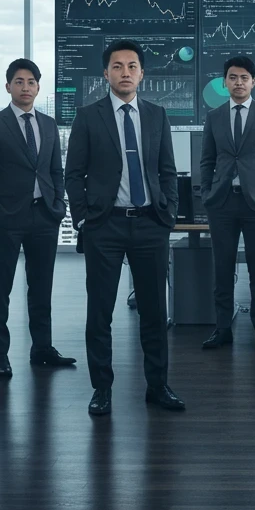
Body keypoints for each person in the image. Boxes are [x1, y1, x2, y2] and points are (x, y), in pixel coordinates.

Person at [65, 39, 182, 416]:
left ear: (142, 73)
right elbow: (73, 174)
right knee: (100, 312)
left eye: (132, 66)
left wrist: (167, 215)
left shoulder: (156, 114)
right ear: (105, 73)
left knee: (153, 311)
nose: (126, 72)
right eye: (117, 66)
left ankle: (158, 386)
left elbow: (167, 170)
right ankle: (102, 388)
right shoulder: (87, 116)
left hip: (150, 224)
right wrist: (84, 219)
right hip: (105, 226)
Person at [0, 59, 75, 378]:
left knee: (41, 286)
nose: (25, 87)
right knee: (0, 287)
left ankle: (42, 347)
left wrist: (58, 205)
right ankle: (0, 353)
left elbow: (55, 170)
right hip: (8, 217)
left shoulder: (48, 124)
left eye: (31, 82)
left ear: (38, 87)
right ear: (8, 86)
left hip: (44, 216)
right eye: (19, 81)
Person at [199, 55, 255, 351]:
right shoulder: (214, 117)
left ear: (253, 82)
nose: (238, 83)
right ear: (225, 83)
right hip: (221, 203)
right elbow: (207, 160)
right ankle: (222, 328)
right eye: (233, 78)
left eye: (244, 78)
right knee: (221, 269)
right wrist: (207, 194)